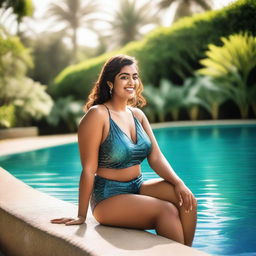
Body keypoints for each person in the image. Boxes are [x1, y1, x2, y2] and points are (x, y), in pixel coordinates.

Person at [51, 54, 197, 247]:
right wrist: (81, 215)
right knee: (166, 211)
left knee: (187, 200)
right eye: (124, 77)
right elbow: (88, 169)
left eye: (135, 76)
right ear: (110, 82)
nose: (132, 82)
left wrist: (178, 183)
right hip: (108, 197)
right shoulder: (98, 115)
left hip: (137, 186)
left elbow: (156, 157)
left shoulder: (137, 114)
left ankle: (187, 251)